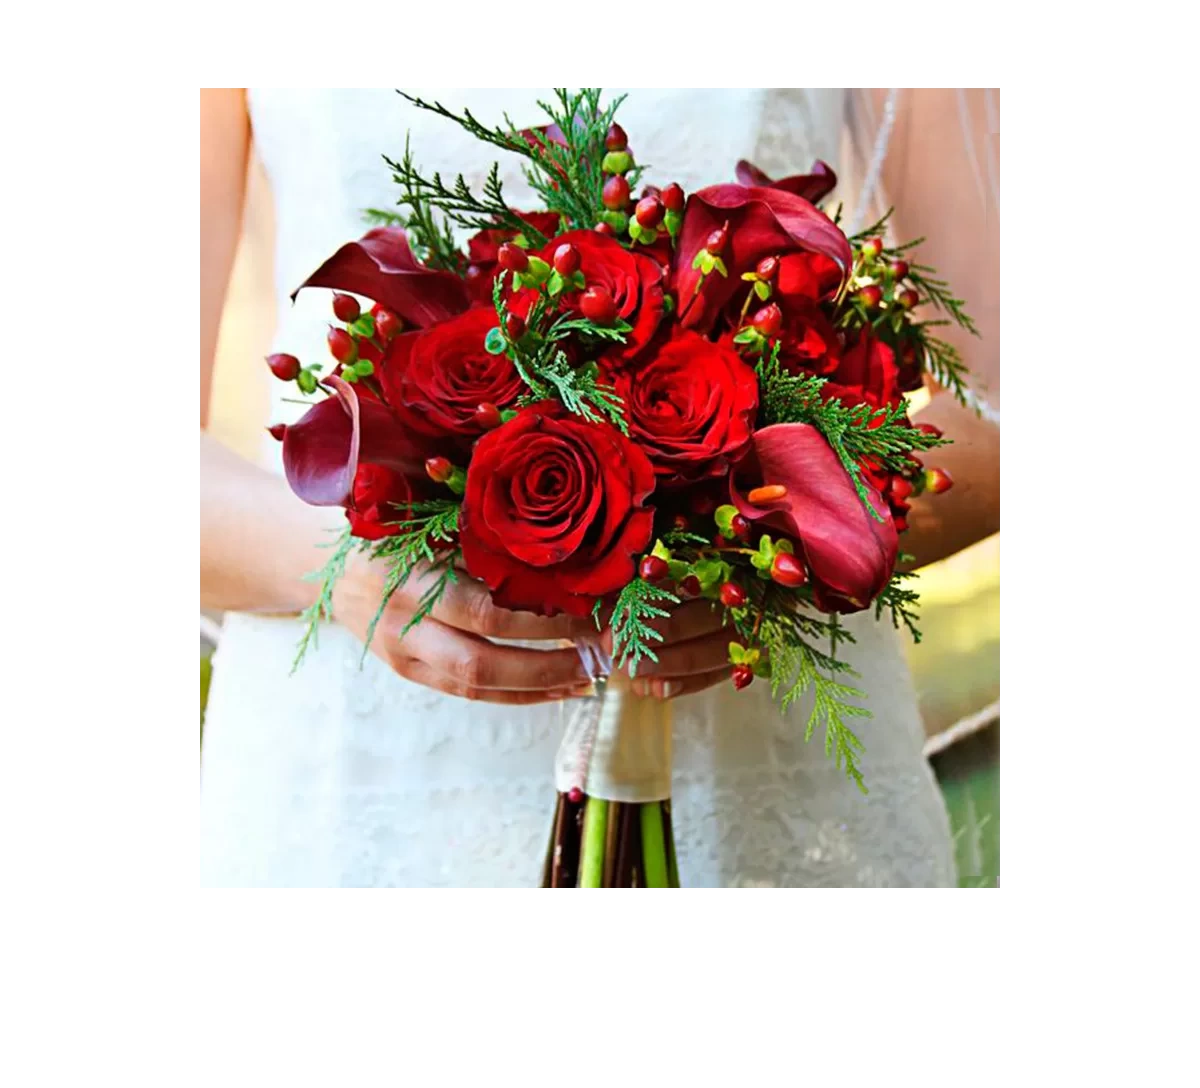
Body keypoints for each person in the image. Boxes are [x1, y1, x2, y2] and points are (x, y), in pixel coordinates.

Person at [200, 88, 999, 887]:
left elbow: (1003, 417)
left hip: (768, 754)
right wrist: (346, 574)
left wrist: (764, 552)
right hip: (349, 774)